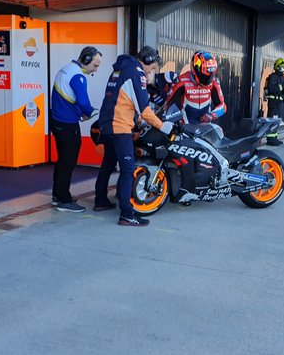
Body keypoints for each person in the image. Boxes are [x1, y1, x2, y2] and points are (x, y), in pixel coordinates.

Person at [94, 46, 173, 226]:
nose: (151, 70)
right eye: (152, 66)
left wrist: (136, 119)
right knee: (128, 170)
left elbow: (122, 99)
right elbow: (144, 109)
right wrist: (162, 126)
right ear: (147, 60)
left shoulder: (119, 69)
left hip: (106, 124)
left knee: (108, 163)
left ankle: (100, 201)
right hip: (119, 127)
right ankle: (127, 214)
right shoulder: (136, 72)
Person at [50, 46, 102, 213]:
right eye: (95, 65)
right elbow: (84, 102)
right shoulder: (78, 76)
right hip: (68, 124)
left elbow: (67, 98)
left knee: (62, 161)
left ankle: (57, 195)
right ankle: (64, 200)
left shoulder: (65, 69)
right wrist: (88, 112)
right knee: (68, 162)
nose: (96, 69)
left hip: (57, 121)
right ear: (86, 60)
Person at [165, 50, 227, 124]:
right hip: (185, 129)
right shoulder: (182, 81)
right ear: (196, 69)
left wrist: (211, 115)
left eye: (210, 76)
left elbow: (223, 106)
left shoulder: (214, 82)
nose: (207, 79)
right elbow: (169, 105)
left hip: (204, 129)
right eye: (204, 76)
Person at [263, 57, 284, 146]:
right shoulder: (273, 77)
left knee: (277, 121)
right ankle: (270, 139)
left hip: (279, 103)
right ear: (277, 67)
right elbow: (271, 88)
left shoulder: (282, 78)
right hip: (273, 103)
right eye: (281, 67)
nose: (282, 69)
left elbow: (283, 88)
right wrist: (281, 88)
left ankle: (275, 138)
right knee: (272, 120)